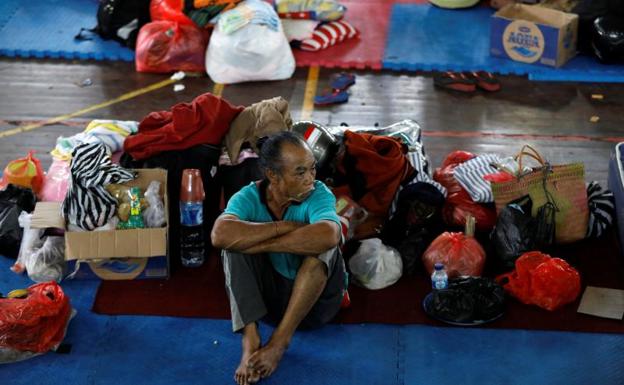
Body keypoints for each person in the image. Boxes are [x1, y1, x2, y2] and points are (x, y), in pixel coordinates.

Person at [211, 131, 345, 385]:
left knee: (324, 248)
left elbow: (330, 234)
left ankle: (278, 343)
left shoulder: (318, 193)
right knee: (232, 247)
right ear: (273, 175)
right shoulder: (249, 196)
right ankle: (250, 339)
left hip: (317, 308)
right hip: (269, 307)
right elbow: (220, 234)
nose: (310, 178)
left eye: (312, 169)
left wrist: (262, 244)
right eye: (299, 172)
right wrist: (283, 227)